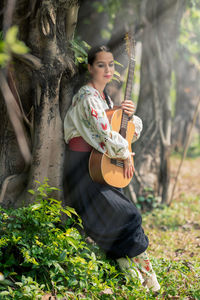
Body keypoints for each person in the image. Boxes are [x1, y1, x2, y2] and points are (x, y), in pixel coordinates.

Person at [63, 45, 160, 292]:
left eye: (111, 64)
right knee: (128, 215)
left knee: (122, 220)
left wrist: (126, 114)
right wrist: (125, 153)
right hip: (82, 171)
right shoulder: (87, 98)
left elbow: (120, 132)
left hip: (100, 167)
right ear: (89, 68)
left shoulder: (105, 99)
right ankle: (144, 282)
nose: (107, 69)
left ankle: (143, 282)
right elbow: (103, 134)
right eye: (100, 64)